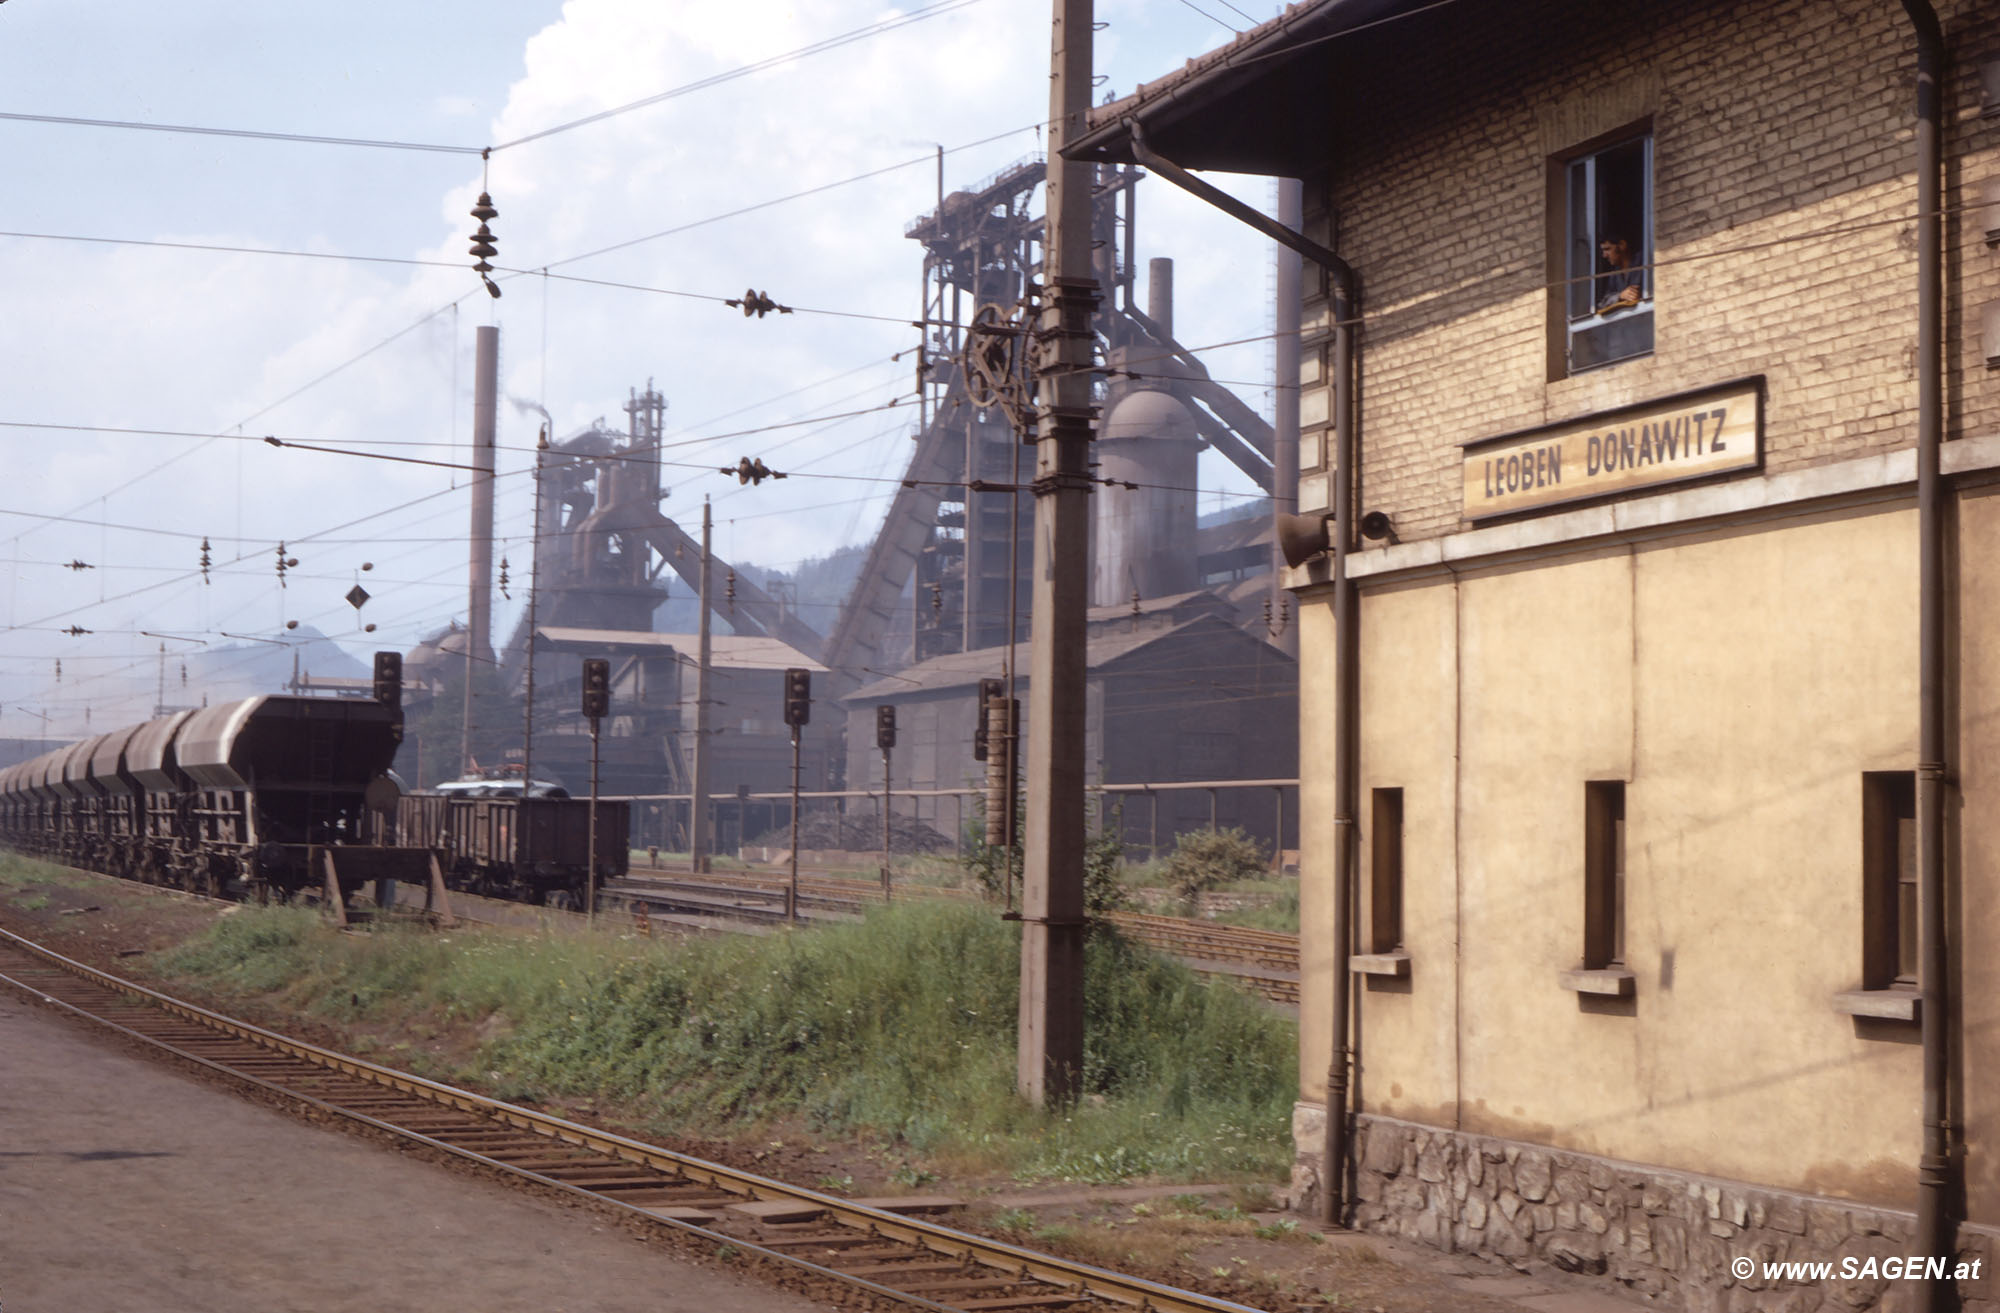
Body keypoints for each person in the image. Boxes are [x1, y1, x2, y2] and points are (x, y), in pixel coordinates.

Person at [1596, 236, 1645, 313]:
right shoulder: (1614, 275)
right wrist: (1620, 296)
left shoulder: (1644, 260)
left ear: (1622, 245)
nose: (1604, 255)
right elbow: (1602, 304)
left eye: (1607, 249)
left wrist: (1643, 293)